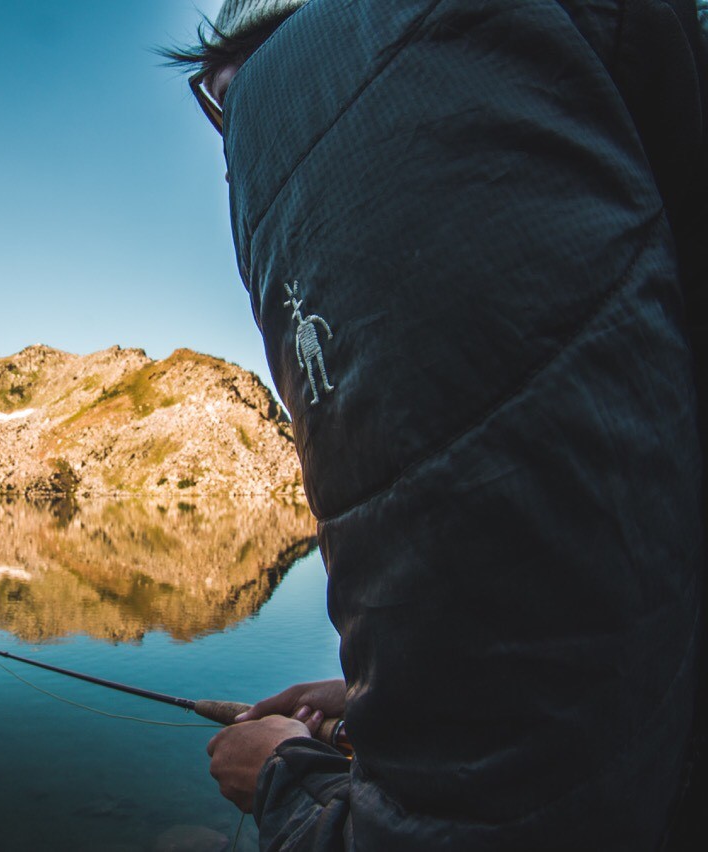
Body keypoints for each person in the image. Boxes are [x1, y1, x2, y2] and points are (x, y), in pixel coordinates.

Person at [166, 0, 708, 849]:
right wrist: (391, 700)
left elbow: (485, 819)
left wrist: (282, 780)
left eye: (218, 101)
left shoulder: (360, 72)